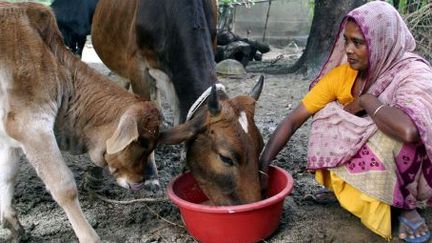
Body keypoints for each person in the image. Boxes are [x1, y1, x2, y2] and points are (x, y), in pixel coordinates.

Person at [259, 1, 432, 242]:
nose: (348, 50)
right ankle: (347, 192)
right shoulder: (341, 76)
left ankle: (404, 205)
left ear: (382, 41)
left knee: (389, 139)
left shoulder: (412, 73)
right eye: (346, 41)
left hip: (408, 163)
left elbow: (410, 131)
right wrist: (263, 164)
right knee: (327, 119)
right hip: (366, 155)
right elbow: (293, 120)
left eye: (358, 43)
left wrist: (366, 101)